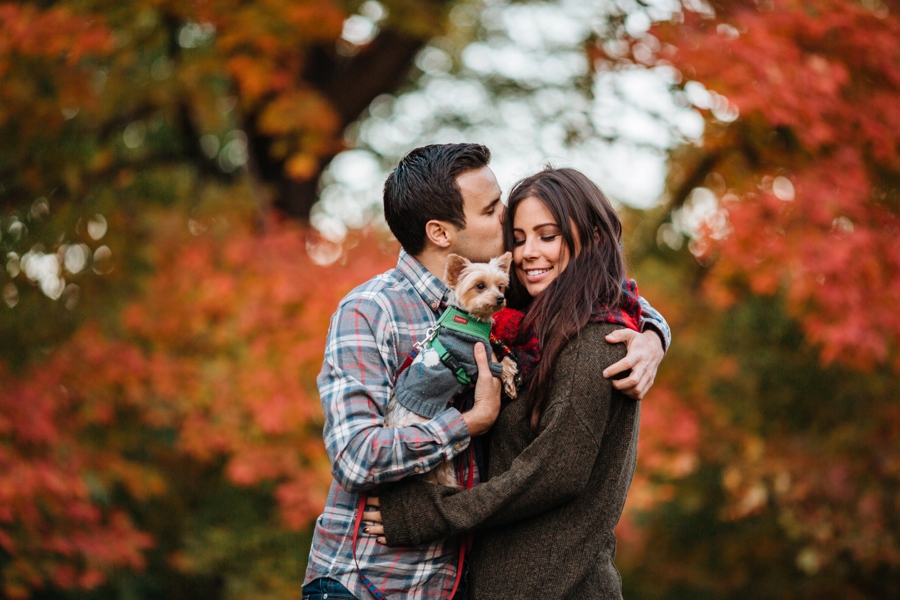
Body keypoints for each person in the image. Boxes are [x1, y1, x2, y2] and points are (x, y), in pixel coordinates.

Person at [302, 147, 669, 600]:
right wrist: (467, 423)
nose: (508, 224)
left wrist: (653, 335)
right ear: (439, 232)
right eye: (494, 211)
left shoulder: (502, 296)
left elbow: (597, 288)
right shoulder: (372, 310)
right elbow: (355, 456)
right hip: (371, 580)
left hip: (455, 581)